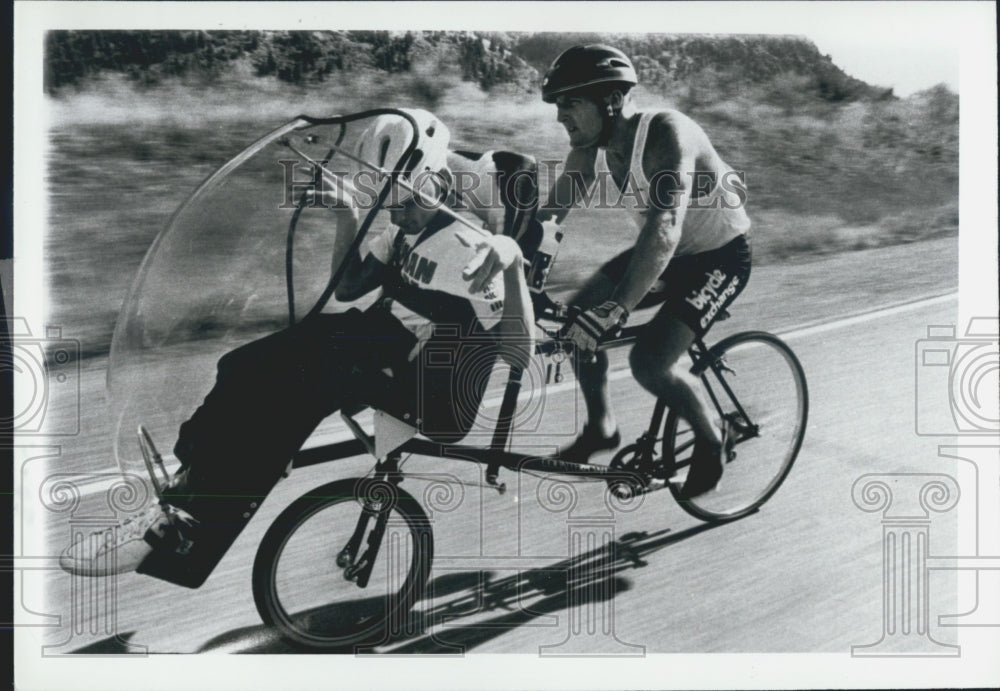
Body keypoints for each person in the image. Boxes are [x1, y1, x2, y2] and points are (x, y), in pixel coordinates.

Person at [59, 109, 535, 584]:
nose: (397, 212)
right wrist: (348, 215)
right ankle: (188, 481)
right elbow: (347, 288)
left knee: (297, 387)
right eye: (388, 202)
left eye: (406, 201)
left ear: (436, 179)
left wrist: (511, 262)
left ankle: (187, 530)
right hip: (378, 344)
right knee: (243, 365)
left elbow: (519, 354)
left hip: (429, 386)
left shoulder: (474, 248)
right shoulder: (403, 230)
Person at [536, 45, 752, 498]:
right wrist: (512, 258)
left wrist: (616, 308)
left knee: (649, 363)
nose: (560, 117)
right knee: (577, 322)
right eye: (558, 106)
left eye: (570, 103)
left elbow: (666, 225)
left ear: (611, 100)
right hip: (667, 255)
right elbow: (551, 214)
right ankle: (602, 428)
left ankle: (714, 439)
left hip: (719, 257)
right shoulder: (591, 145)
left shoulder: (666, 133)